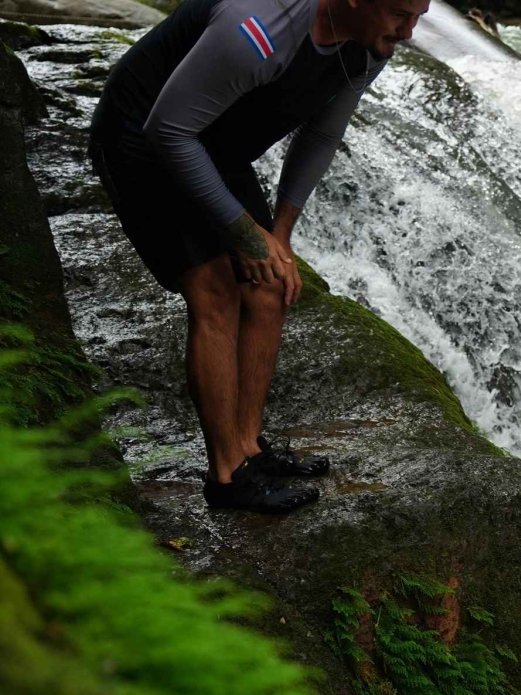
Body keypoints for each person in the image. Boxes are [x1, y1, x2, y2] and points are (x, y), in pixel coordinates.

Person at [89, 0, 431, 513]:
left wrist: (280, 234)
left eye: (419, 15)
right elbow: (168, 131)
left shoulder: (369, 45)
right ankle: (227, 476)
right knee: (215, 291)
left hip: (213, 145)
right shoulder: (258, 28)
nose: (408, 31)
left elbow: (322, 133)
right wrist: (245, 234)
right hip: (142, 138)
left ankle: (248, 447)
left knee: (270, 285)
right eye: (399, 14)